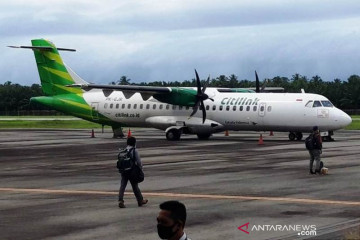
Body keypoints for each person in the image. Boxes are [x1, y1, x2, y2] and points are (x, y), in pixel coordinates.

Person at [118, 136, 148, 208]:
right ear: (134, 143)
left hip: (124, 171)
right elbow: (138, 162)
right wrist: (141, 169)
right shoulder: (134, 150)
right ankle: (140, 200)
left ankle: (120, 200)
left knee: (122, 186)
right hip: (132, 171)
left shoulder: (124, 150)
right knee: (135, 186)